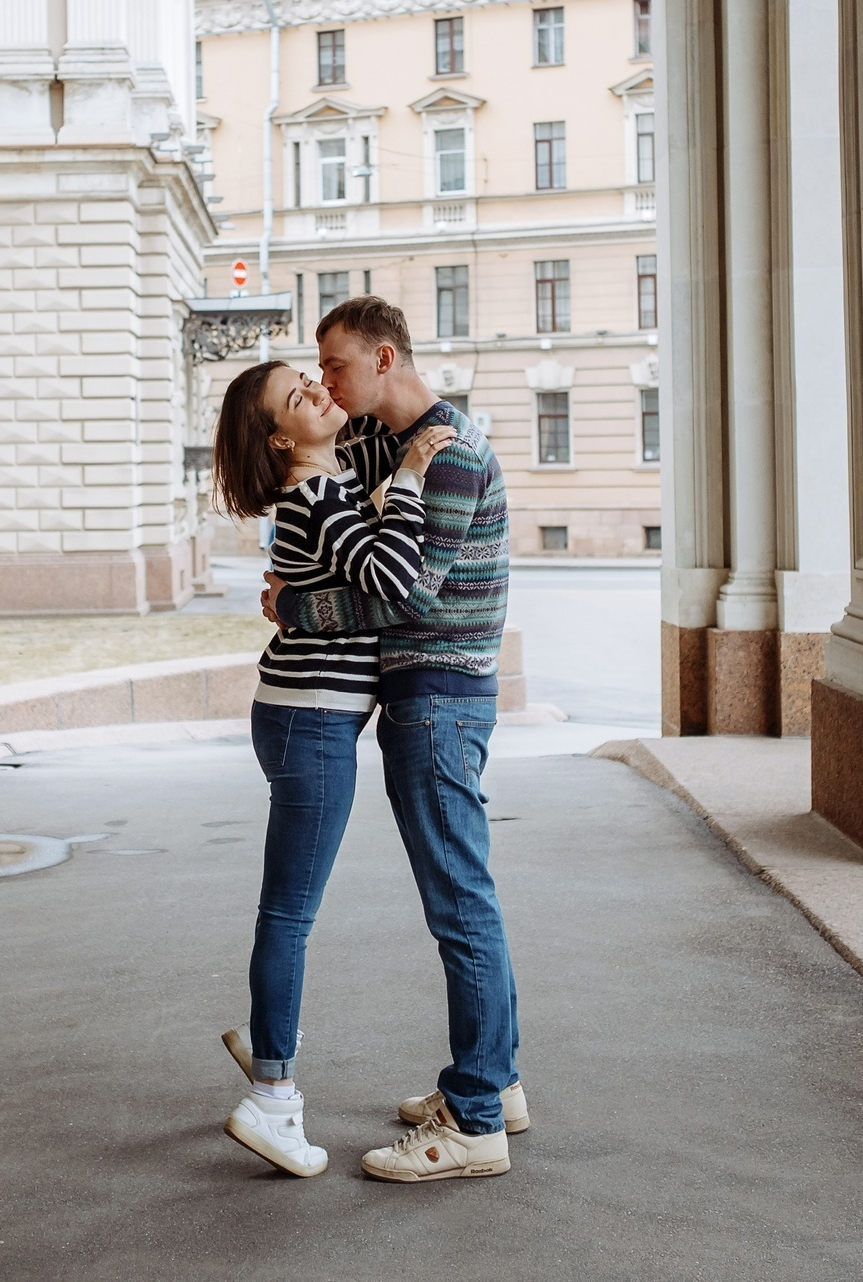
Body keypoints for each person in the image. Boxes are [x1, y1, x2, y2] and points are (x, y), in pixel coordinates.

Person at [263, 295, 525, 1184]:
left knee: (460, 903)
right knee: (461, 897)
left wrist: (296, 606)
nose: (323, 382)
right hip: (420, 697)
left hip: (440, 699)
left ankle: (479, 1117)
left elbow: (404, 594)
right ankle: (496, 1079)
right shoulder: (381, 442)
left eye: (333, 365)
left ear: (383, 358)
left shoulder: (445, 454)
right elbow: (324, 503)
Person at [208, 358, 456, 1178]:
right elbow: (390, 577)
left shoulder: (324, 484)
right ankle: (273, 1097)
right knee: (289, 914)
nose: (317, 390)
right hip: (311, 721)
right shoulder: (314, 494)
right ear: (280, 437)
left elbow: (352, 556)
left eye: (308, 376)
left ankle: (266, 1031)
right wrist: (415, 473)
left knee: (287, 910)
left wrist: (386, 490)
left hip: (301, 715)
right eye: (297, 395)